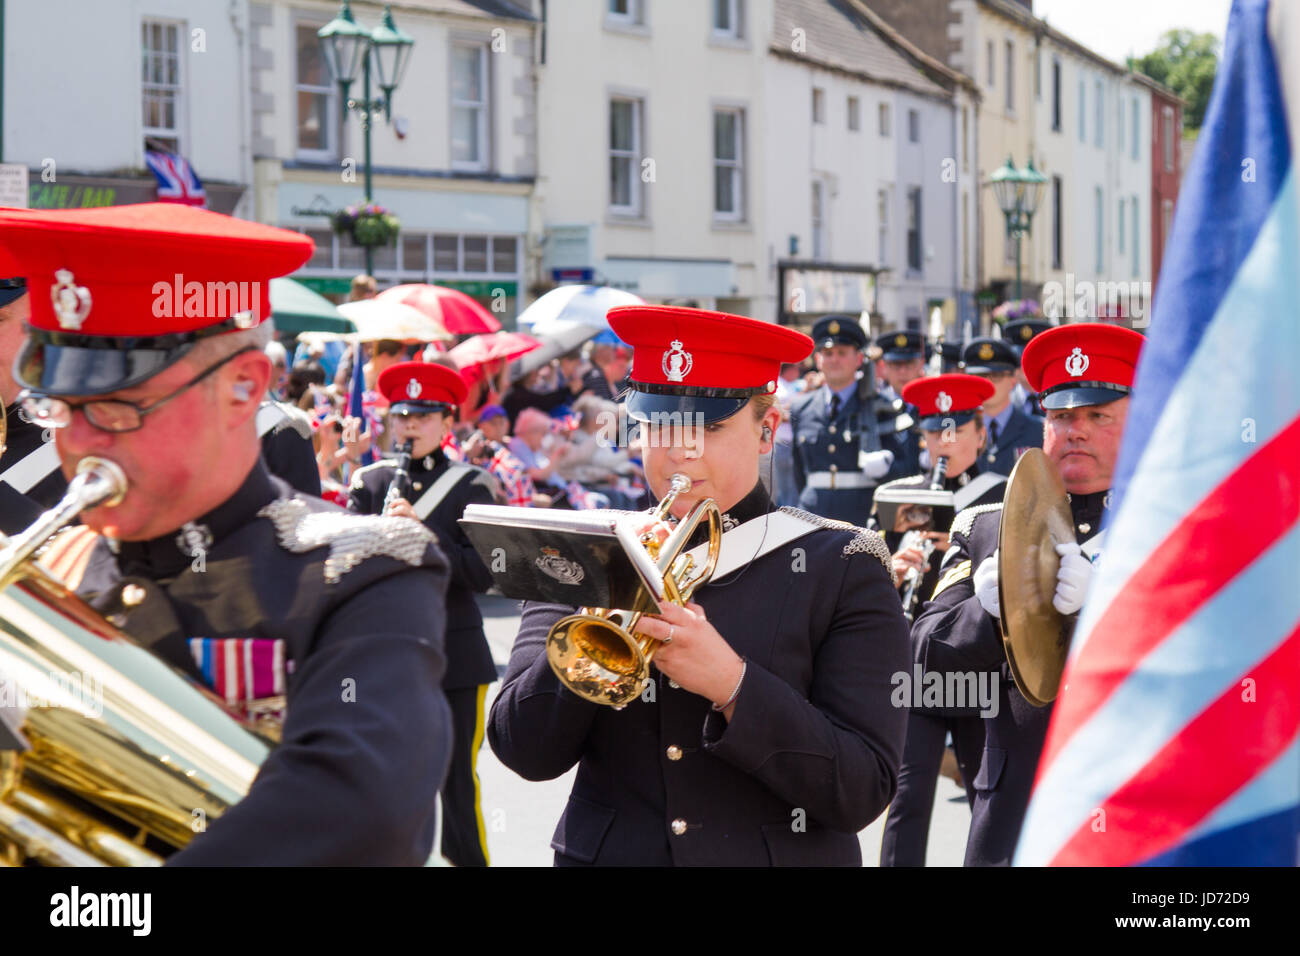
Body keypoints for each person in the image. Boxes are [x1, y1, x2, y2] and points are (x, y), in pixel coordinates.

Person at [1, 202, 453, 865]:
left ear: (243, 386)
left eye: (116, 406)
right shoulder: (49, 568)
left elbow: (357, 810)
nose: (78, 440)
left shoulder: (365, 569)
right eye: (59, 407)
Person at [488, 304, 910, 866]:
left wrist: (734, 686)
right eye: (661, 424)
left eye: (710, 427)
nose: (681, 451)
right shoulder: (588, 549)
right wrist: (600, 602)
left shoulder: (841, 563)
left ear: (767, 429)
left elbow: (862, 789)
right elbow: (524, 750)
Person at [912, 323, 1144, 866]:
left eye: (1098, 416)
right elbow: (921, 665)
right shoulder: (984, 527)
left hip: (1130, 799)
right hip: (1015, 813)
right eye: (1061, 416)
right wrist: (986, 615)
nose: (1076, 431)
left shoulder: (1169, 529)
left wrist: (1105, 607)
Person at [347, 360, 498, 867]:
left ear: (446, 423)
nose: (410, 426)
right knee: (385, 777)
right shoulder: (369, 482)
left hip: (455, 653)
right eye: (402, 415)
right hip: (386, 653)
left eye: (423, 415)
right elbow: (343, 568)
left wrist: (424, 535)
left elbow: (482, 574)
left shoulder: (470, 484)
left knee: (456, 782)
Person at [871, 374, 1008, 867]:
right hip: (915, 659)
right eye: (934, 433)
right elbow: (860, 585)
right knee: (907, 793)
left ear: (981, 433)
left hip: (977, 658)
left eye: (954, 431)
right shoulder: (898, 495)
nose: (943, 443)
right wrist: (893, 566)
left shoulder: (1004, 498)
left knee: (986, 791)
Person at [789, 315, 916, 524]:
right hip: (812, 516)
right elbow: (799, 472)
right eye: (828, 353)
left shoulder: (883, 407)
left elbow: (906, 471)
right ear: (818, 360)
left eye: (842, 353)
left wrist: (887, 468)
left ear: (858, 359)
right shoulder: (801, 407)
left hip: (862, 517)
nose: (834, 359)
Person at [961, 337, 1043, 477]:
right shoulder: (958, 430)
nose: (986, 383)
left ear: (1013, 380)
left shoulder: (1039, 431)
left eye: (996, 376)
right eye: (979, 376)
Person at [1003, 319, 1053, 417]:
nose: (1027, 366)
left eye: (1034, 359)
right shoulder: (1004, 403)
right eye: (1021, 360)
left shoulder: (1058, 399)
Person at [874, 330, 928, 401]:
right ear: (884, 366)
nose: (903, 371)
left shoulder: (932, 405)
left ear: (921, 364)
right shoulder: (874, 406)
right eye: (896, 364)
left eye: (909, 363)